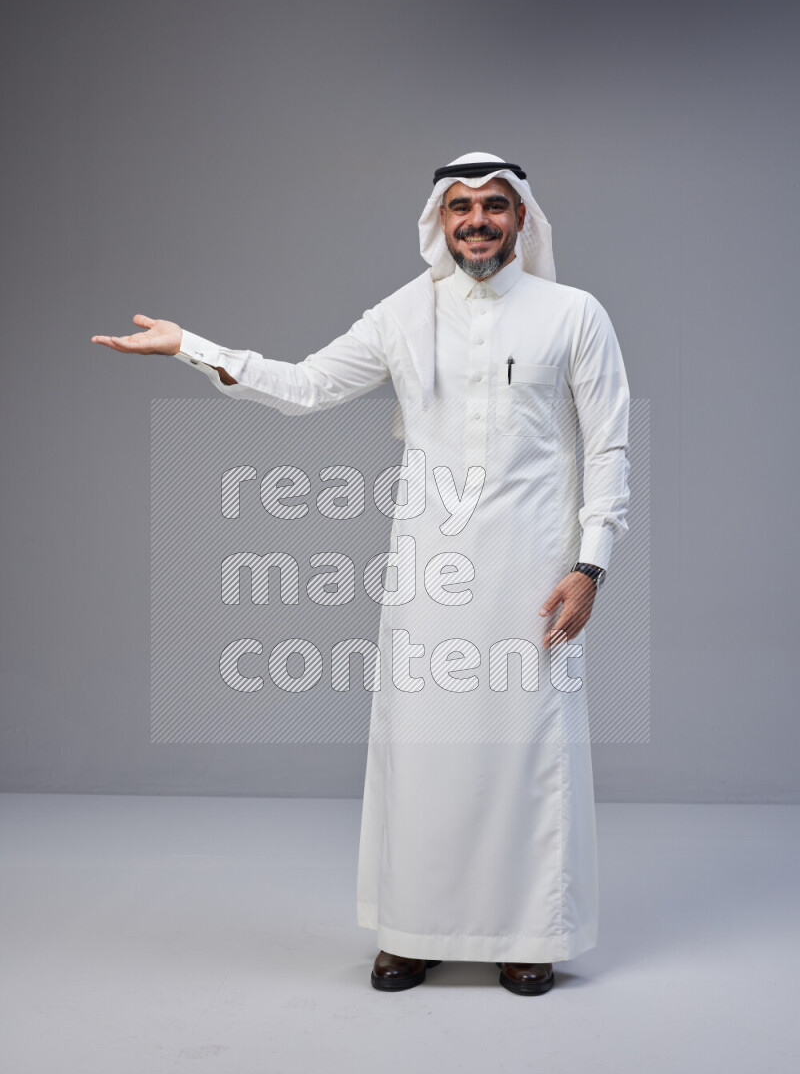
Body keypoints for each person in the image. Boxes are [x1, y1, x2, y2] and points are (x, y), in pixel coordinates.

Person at [92, 151, 630, 996]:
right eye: (461, 207)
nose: (478, 221)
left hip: (537, 576)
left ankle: (530, 933)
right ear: (439, 221)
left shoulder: (574, 315)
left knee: (528, 751)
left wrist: (590, 564)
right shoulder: (403, 315)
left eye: (495, 206)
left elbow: (607, 448)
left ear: (522, 219)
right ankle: (413, 930)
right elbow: (303, 386)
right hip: (429, 575)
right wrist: (189, 347)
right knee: (422, 754)